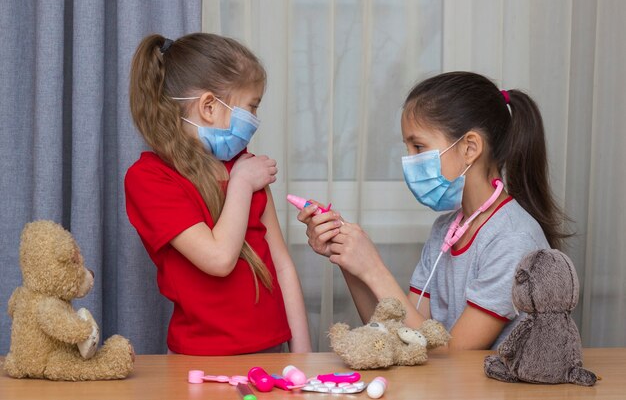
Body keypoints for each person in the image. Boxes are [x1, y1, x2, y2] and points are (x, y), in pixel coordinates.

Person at [298, 71, 570, 349]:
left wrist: (373, 268)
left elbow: (452, 358)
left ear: (470, 148)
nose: (409, 161)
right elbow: (402, 337)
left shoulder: (512, 240)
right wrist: (347, 255)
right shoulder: (445, 229)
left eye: (418, 146)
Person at [125, 33, 311, 355]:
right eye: (251, 107)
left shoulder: (245, 167)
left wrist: (304, 355)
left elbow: (282, 266)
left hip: (272, 351)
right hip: (199, 359)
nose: (255, 120)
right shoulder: (148, 179)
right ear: (209, 106)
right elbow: (219, 259)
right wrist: (240, 183)